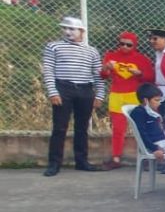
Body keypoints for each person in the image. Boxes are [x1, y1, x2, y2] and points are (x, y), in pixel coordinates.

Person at [41, 16, 107, 176]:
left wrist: (99, 95)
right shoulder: (54, 47)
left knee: (82, 127)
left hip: (85, 90)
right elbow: (48, 70)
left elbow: (98, 74)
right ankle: (54, 163)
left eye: (71, 29)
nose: (67, 31)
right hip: (63, 87)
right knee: (59, 127)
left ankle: (82, 161)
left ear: (81, 31)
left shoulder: (92, 51)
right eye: (64, 28)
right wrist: (53, 91)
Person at [101, 31, 155, 169]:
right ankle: (116, 158)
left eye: (129, 45)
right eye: (122, 43)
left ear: (134, 45)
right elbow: (103, 76)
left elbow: (150, 77)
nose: (124, 47)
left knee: (140, 127)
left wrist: (140, 74)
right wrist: (106, 68)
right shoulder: (111, 56)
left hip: (134, 95)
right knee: (118, 129)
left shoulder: (142, 59)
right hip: (116, 95)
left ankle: (147, 157)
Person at [129, 83, 165, 161]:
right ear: (145, 100)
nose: (159, 103)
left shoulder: (153, 112)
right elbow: (141, 134)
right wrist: (155, 149)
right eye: (156, 100)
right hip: (156, 146)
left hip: (164, 143)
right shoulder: (139, 113)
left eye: (160, 100)